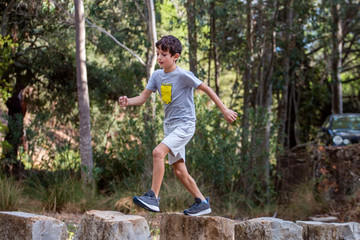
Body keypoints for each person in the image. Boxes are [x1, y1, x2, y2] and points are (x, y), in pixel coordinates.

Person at [118, 35, 237, 216]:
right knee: (180, 171)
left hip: (185, 124)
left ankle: (153, 197)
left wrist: (225, 110)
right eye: (158, 53)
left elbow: (207, 89)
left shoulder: (183, 75)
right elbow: (143, 98)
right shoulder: (157, 75)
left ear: (175, 56)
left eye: (164, 54)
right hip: (170, 126)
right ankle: (202, 202)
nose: (159, 58)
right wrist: (128, 101)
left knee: (158, 152)